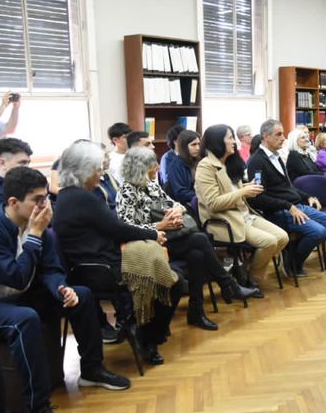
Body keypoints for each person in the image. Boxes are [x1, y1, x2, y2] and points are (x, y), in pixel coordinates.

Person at [0, 167, 132, 413]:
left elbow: (51, 269)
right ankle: (37, 410)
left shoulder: (42, 229)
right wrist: (36, 236)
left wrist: (61, 288)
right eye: (36, 200)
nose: (44, 205)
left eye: (45, 198)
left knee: (82, 294)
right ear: (13, 203)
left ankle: (92, 369)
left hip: (22, 296)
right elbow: (16, 275)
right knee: (24, 318)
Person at [53, 141, 179, 365]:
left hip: (99, 263)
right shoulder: (82, 198)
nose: (100, 174)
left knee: (175, 280)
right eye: (98, 169)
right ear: (85, 171)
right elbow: (116, 228)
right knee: (173, 283)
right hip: (104, 269)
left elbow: (114, 227)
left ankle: (147, 334)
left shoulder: (68, 196)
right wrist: (152, 234)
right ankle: (146, 336)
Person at [117, 147, 258, 330]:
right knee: (199, 240)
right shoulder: (127, 191)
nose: (158, 169)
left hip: (169, 237)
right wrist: (160, 226)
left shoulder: (151, 185)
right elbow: (126, 228)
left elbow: (174, 203)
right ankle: (227, 285)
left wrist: (177, 211)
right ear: (140, 168)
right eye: (153, 165)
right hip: (148, 244)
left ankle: (197, 310)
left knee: (197, 256)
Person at [247, 119, 326, 277]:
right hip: (280, 211)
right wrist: (288, 207)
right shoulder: (256, 162)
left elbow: (288, 186)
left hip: (296, 206)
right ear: (265, 136)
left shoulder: (276, 157)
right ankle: (294, 263)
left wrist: (308, 196)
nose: (283, 138)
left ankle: (291, 250)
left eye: (283, 134)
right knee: (318, 232)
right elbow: (257, 198)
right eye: (278, 134)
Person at [195, 124, 288, 286]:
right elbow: (213, 203)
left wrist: (246, 187)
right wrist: (243, 192)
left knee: (282, 238)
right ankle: (252, 280)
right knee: (269, 242)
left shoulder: (229, 162)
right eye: (230, 138)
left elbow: (231, 190)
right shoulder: (205, 166)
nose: (234, 142)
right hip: (225, 220)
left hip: (244, 215)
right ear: (217, 142)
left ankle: (244, 273)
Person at [0, 138, 32, 217]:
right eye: (22, 162)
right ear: (3, 163)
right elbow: (13, 225)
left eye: (28, 163)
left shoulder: (19, 185)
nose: (27, 167)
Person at [165, 130, 201, 204]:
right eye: (193, 145)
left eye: (199, 144)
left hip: (201, 200)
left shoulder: (200, 161)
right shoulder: (176, 165)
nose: (198, 148)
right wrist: (201, 196)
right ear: (184, 146)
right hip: (186, 204)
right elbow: (180, 193)